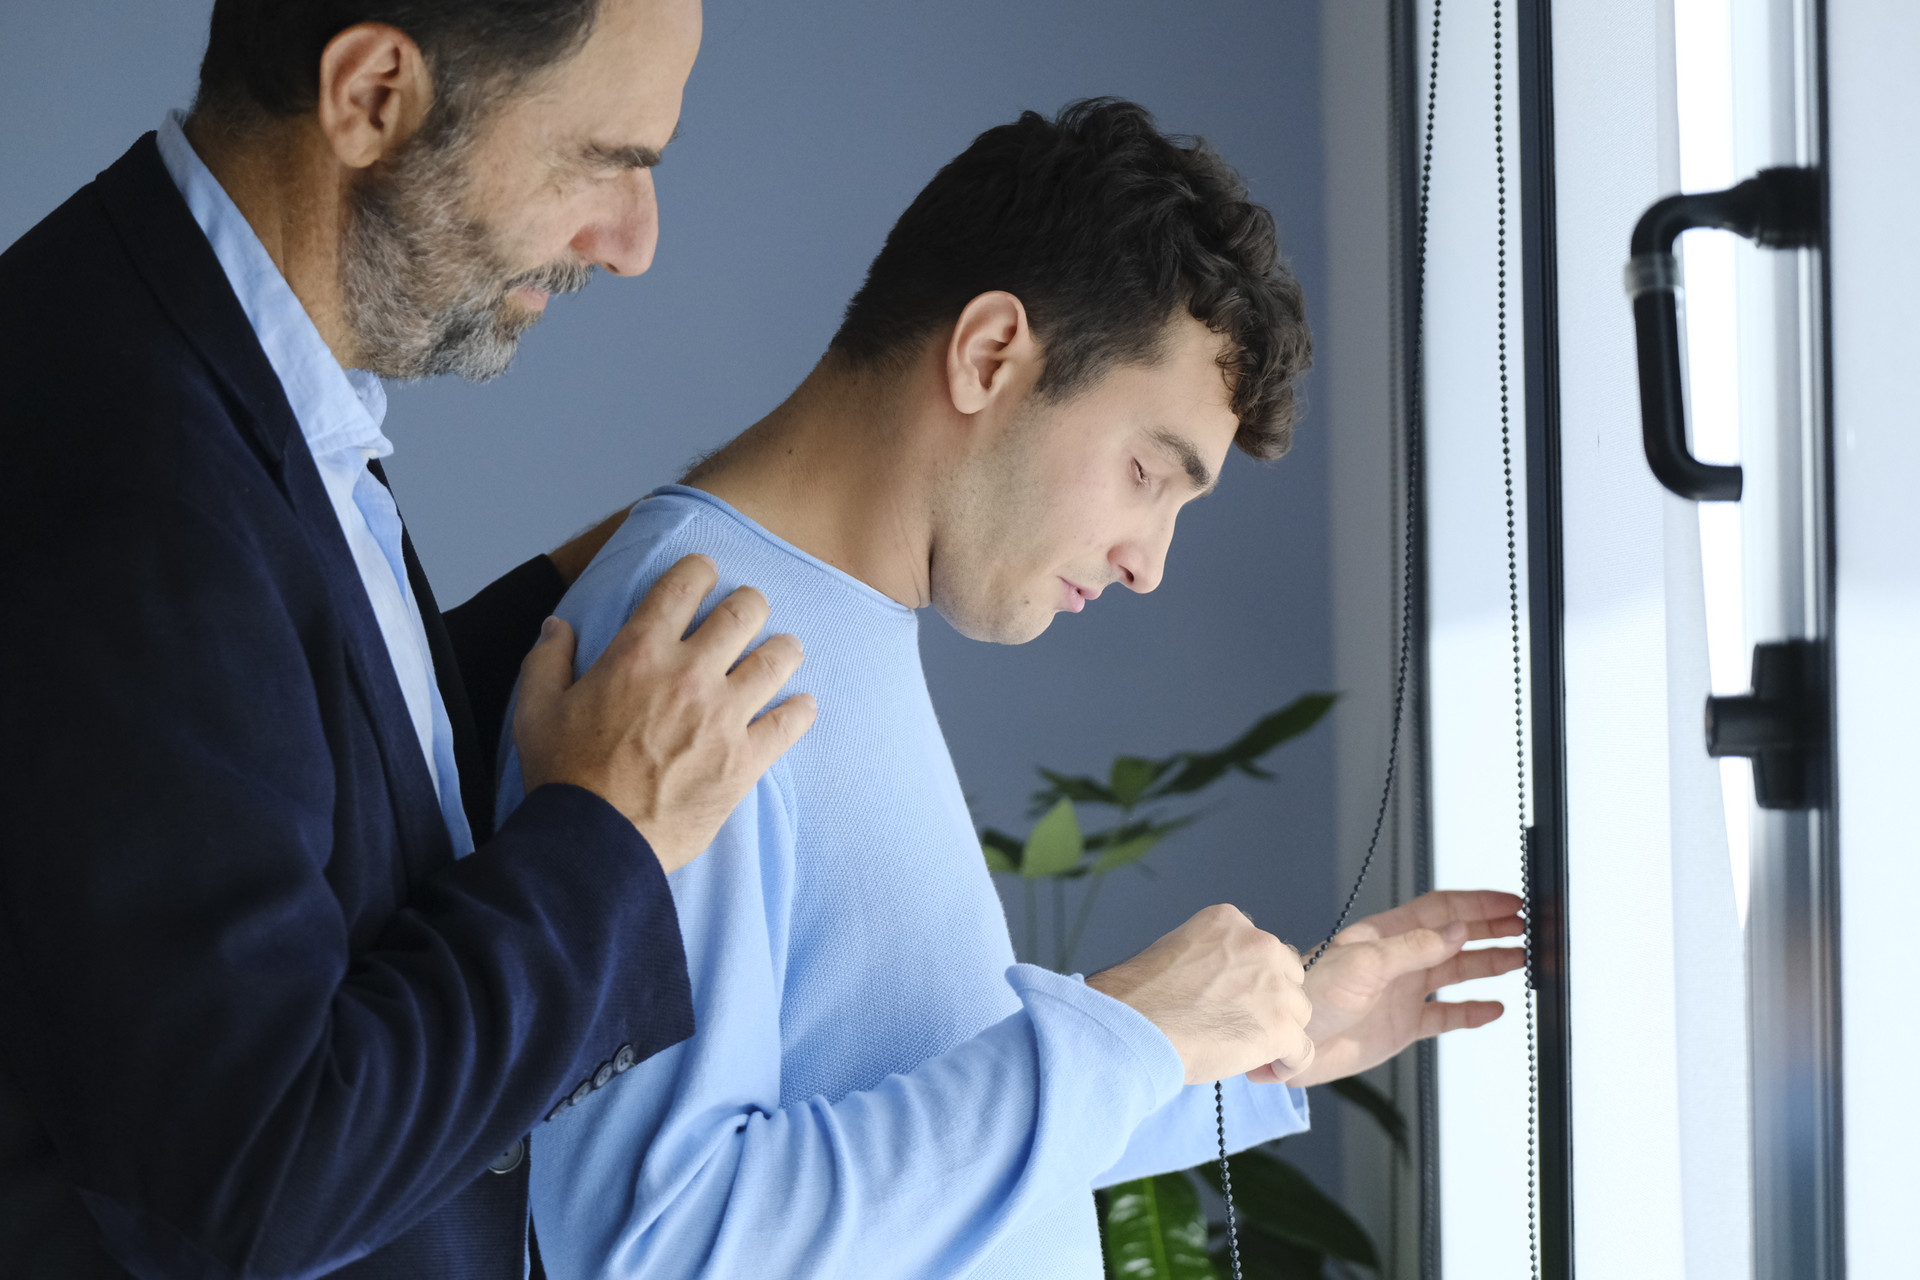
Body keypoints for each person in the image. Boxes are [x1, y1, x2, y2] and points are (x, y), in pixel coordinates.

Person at [500, 98, 1525, 1279]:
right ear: (990, 354)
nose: (1149, 562)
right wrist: (1132, 1031)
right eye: (1147, 473)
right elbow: (667, 1237)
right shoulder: (695, 650)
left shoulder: (826, 619)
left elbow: (899, 1120)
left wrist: (1248, 1044)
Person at [0, 2, 818, 1278]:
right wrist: (610, 835)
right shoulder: (128, 469)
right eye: (607, 159)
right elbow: (260, 1175)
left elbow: (286, 753)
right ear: (375, 95)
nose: (635, 241)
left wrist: (680, 543)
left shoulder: (198, 360)